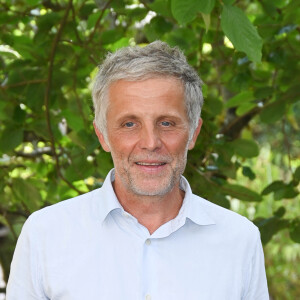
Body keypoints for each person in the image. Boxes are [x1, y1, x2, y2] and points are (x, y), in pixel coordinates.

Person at [6, 41, 269, 300]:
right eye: (130, 124)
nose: (151, 143)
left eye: (166, 122)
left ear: (193, 134)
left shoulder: (239, 240)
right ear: (103, 136)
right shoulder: (45, 235)